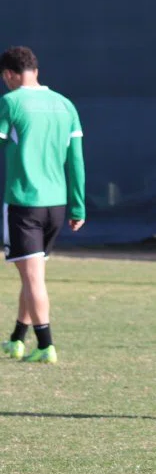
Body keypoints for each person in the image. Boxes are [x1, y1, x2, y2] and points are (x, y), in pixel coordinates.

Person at [0, 46, 86, 365]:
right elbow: (76, 161)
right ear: (35, 70)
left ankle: (46, 344)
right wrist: (78, 207)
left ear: (9, 75)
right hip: (56, 205)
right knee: (31, 273)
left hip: (24, 202)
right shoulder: (65, 104)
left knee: (33, 277)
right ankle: (16, 340)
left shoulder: (11, 102)